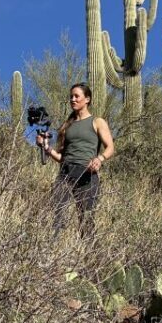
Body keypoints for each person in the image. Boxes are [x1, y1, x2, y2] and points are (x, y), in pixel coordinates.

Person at [37, 83, 114, 237]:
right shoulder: (67, 126)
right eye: (71, 96)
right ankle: (54, 249)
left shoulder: (97, 122)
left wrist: (99, 159)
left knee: (86, 218)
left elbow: (110, 147)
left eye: (76, 96)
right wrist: (46, 147)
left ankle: (89, 257)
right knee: (58, 213)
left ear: (87, 99)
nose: (73, 99)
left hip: (87, 173)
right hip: (65, 173)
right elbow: (61, 157)